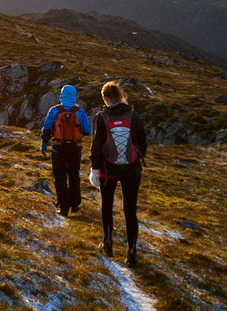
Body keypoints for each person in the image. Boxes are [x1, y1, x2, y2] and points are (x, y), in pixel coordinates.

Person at [90, 80, 147, 265]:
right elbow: (142, 142)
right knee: (130, 210)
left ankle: (108, 243)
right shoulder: (133, 115)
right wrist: (136, 160)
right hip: (132, 170)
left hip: (108, 171)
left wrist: (94, 169)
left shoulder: (101, 117)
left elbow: (96, 146)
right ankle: (131, 251)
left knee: (107, 206)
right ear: (120, 96)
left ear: (105, 98)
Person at [41, 84, 91, 216]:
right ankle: (75, 205)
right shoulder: (79, 112)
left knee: (60, 177)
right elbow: (87, 131)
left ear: (61, 95)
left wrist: (44, 144)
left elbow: (46, 129)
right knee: (74, 175)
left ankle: (63, 207)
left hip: (58, 148)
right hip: (75, 149)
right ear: (74, 96)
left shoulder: (54, 110)